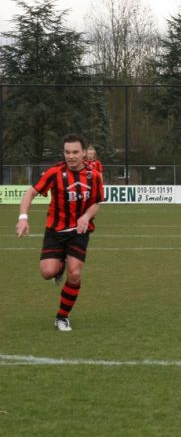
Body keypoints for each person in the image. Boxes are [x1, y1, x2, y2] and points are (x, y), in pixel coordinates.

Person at [15, 134, 104, 332]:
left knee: (75, 273)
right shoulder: (55, 172)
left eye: (75, 152)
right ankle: (59, 266)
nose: (71, 156)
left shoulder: (94, 176)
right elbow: (30, 193)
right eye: (67, 152)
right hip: (55, 231)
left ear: (83, 153)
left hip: (79, 231)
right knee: (47, 273)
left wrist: (86, 216)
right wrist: (23, 217)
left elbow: (96, 202)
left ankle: (62, 317)